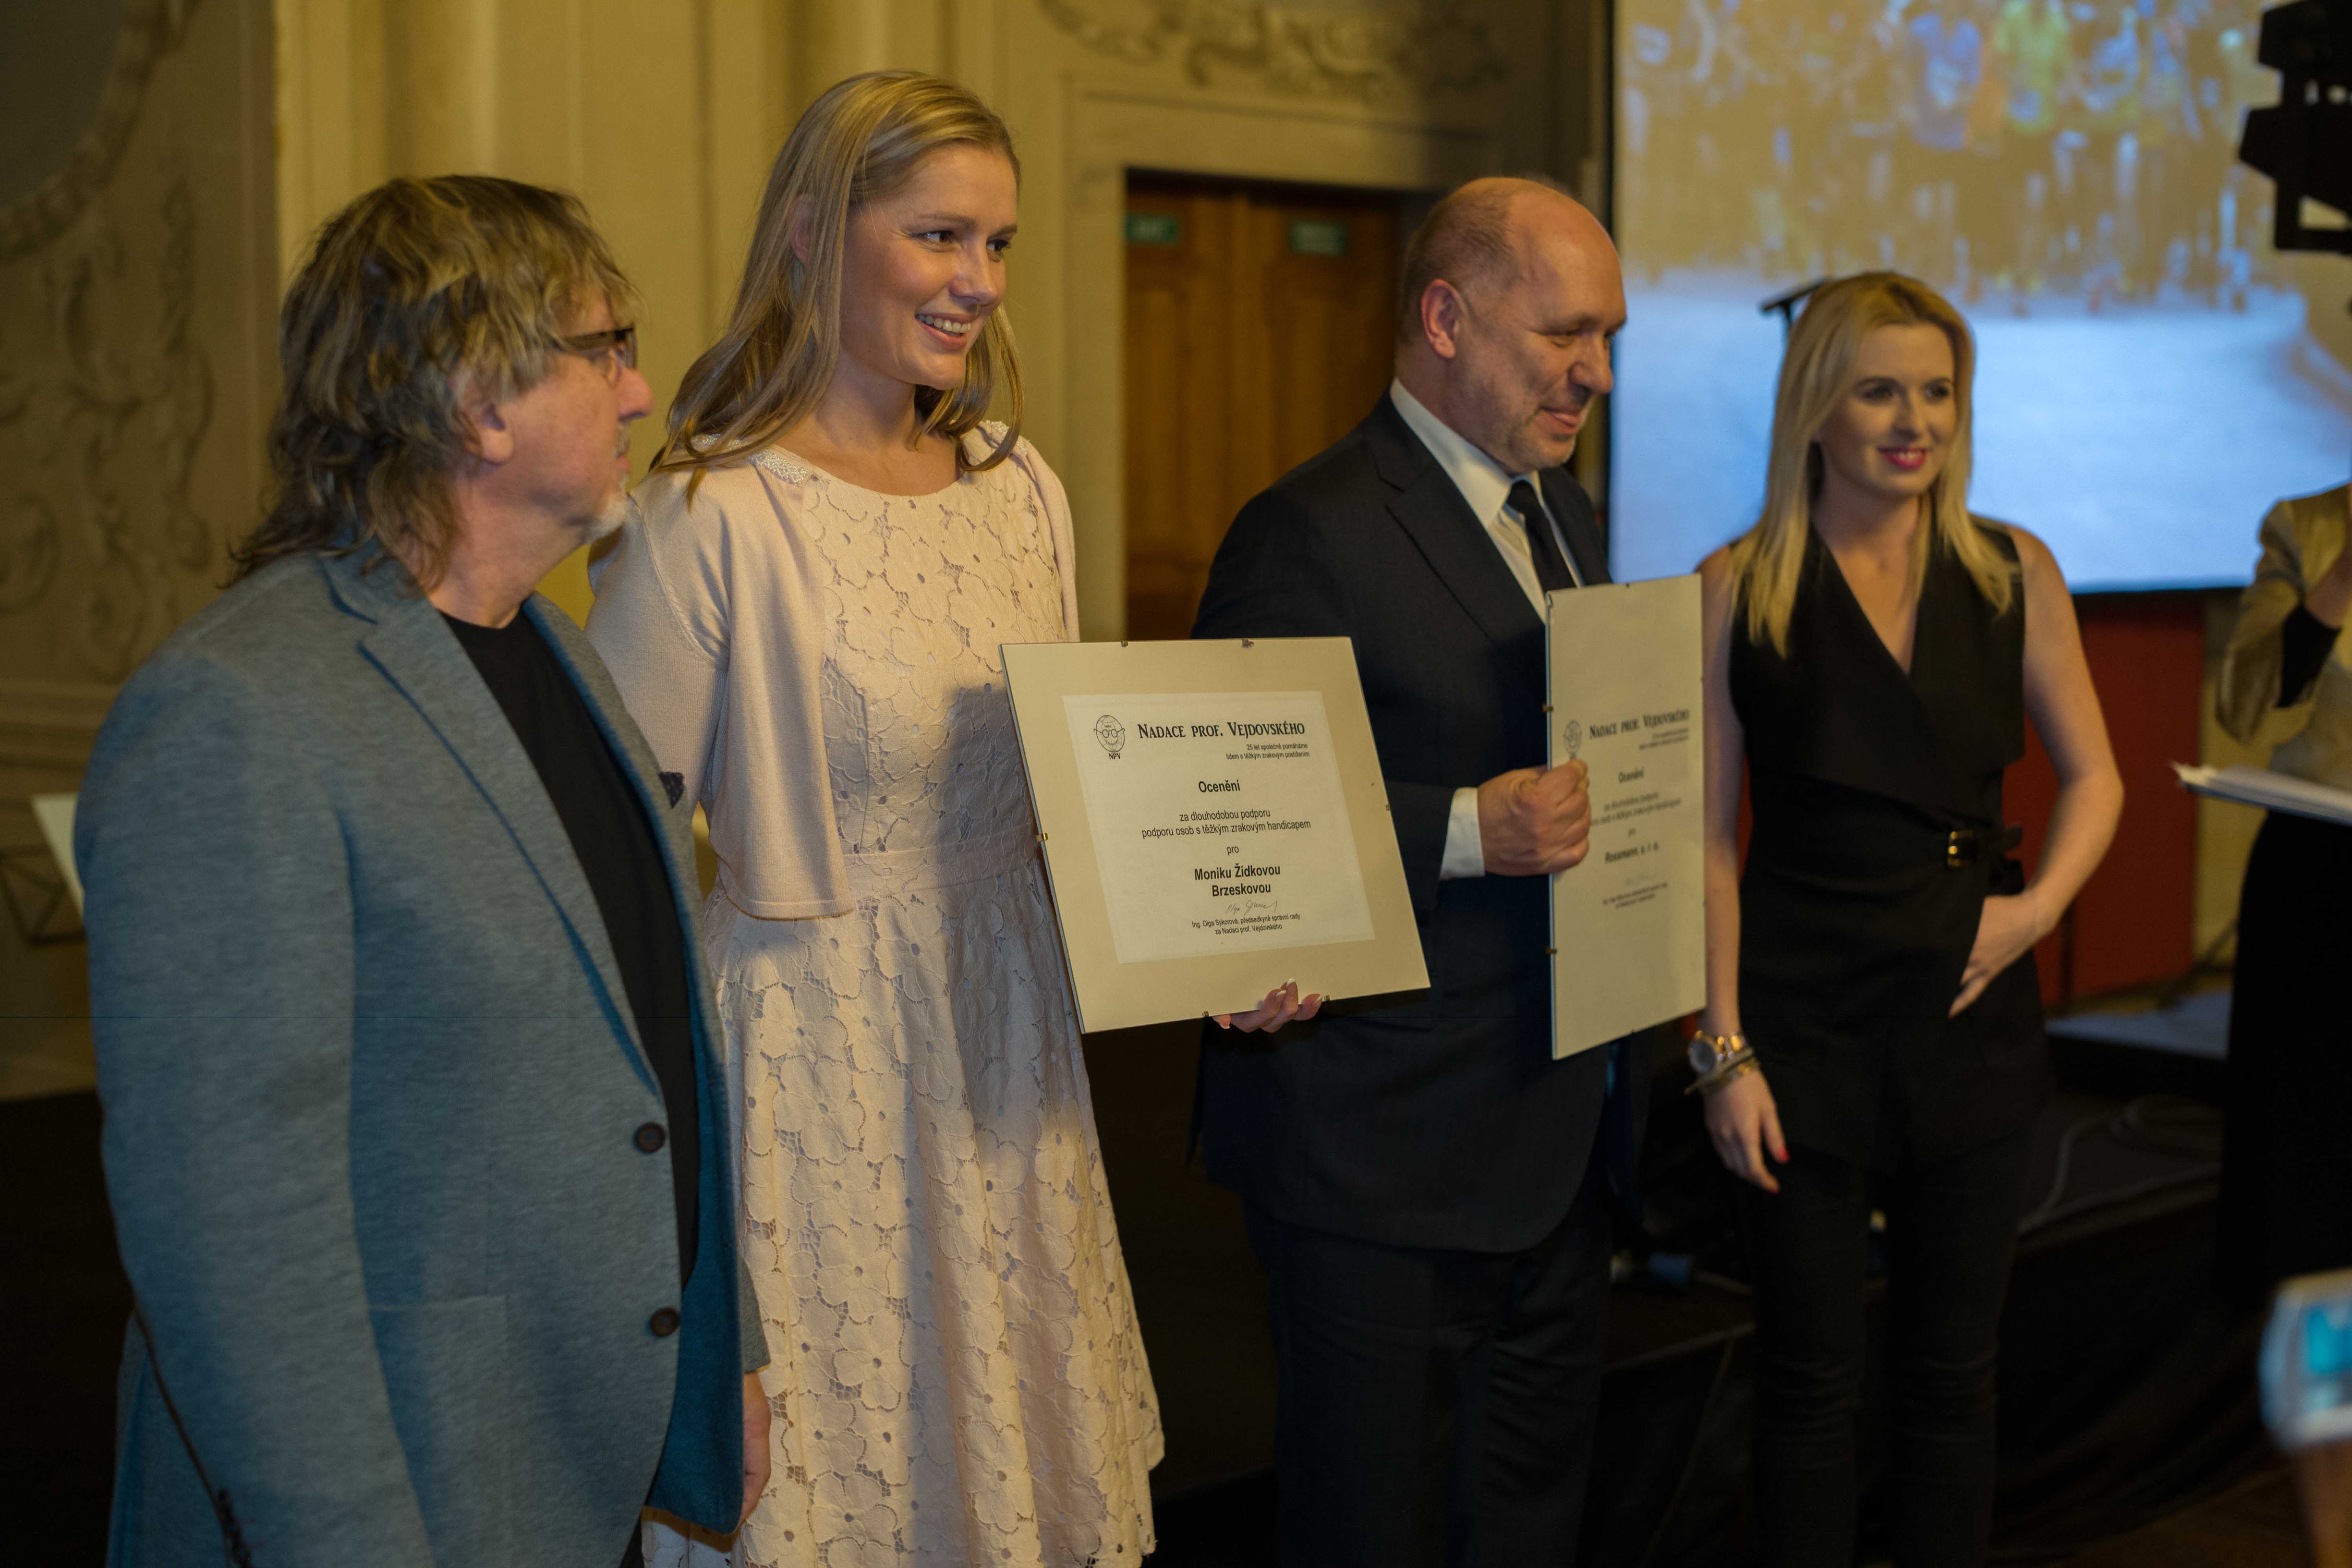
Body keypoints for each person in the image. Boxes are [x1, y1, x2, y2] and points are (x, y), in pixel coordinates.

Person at [588, 72, 1276, 1568]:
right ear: (812, 237)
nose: (980, 281)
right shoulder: (711, 514)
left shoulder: (1022, 488)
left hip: (1007, 1033)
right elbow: (610, 872)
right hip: (814, 1055)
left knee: (1003, 1480)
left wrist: (1220, 940)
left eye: (999, 243)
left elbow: (1076, 801)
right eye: (940, 235)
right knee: (846, 1487)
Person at [77, 175, 769, 1568]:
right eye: (606, 347)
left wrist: (721, 1353)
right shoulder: (238, 709)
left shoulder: (558, 652)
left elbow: (649, 1051)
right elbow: (230, 1232)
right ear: (477, 400)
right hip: (390, 1486)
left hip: (564, 1457)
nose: (641, 391)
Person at [1189, 176, 1641, 1565]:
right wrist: (1461, 829)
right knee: (1366, 1532)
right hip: (1374, 1150)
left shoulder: (1562, 516)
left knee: (1526, 1527)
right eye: (1564, 333)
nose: (1596, 373)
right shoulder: (1307, 529)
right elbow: (1227, 825)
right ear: (1445, 319)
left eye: (1609, 337)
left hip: (1554, 1137)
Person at [1695, 271, 2122, 1568]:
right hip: (1800, 1028)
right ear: (1815, 406)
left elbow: (2097, 780)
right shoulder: (1735, 586)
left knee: (1951, 1378)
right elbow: (1704, 840)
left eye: (1936, 392)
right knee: (1807, 1382)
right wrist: (1722, 1050)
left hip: (1969, 1011)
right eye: (1880, 390)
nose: (1913, 421)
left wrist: (2033, 912)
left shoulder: (2012, 571)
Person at [2216, 478, 2352, 1301]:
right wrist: (2339, 581)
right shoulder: (2307, 527)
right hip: (2325, 878)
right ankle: (2311, 1363)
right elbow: (2247, 711)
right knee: (2311, 1155)